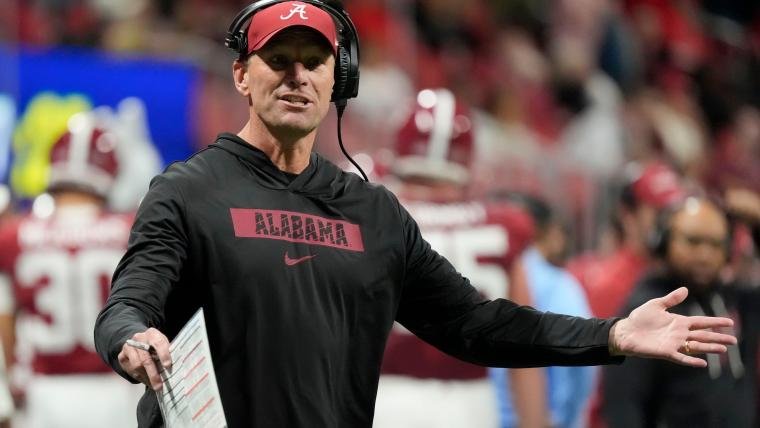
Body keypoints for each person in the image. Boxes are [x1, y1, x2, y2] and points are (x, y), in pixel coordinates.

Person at [94, 2, 736, 427]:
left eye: (313, 63)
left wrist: (611, 335)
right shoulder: (188, 190)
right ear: (241, 75)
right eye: (278, 61)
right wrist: (131, 338)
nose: (297, 77)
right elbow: (128, 303)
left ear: (337, 81)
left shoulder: (371, 212)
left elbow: (476, 324)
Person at [373, 88, 541, 428]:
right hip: (471, 405)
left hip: (388, 397)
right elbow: (526, 344)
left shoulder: (373, 216)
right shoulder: (501, 225)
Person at [0, 112, 143, 428]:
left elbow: (5, 322)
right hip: (118, 393)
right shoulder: (132, 231)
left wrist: (11, 381)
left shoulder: (14, 236)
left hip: (44, 395)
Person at [602, 196, 760, 427]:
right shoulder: (647, 308)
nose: (705, 255)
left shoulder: (737, 301)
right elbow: (624, 404)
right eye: (693, 241)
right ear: (664, 242)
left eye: (716, 244)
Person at [489, 195, 595, 428]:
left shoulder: (469, 278)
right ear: (545, 231)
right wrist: (564, 418)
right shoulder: (557, 284)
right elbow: (582, 357)